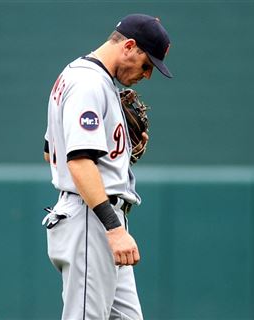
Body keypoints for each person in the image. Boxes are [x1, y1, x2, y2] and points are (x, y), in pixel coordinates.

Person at [41, 13, 172, 320]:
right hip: (93, 219)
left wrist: (117, 153)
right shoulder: (89, 83)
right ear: (129, 46)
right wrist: (113, 229)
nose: (147, 75)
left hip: (97, 217)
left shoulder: (79, 75)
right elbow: (78, 161)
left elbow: (51, 152)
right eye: (147, 65)